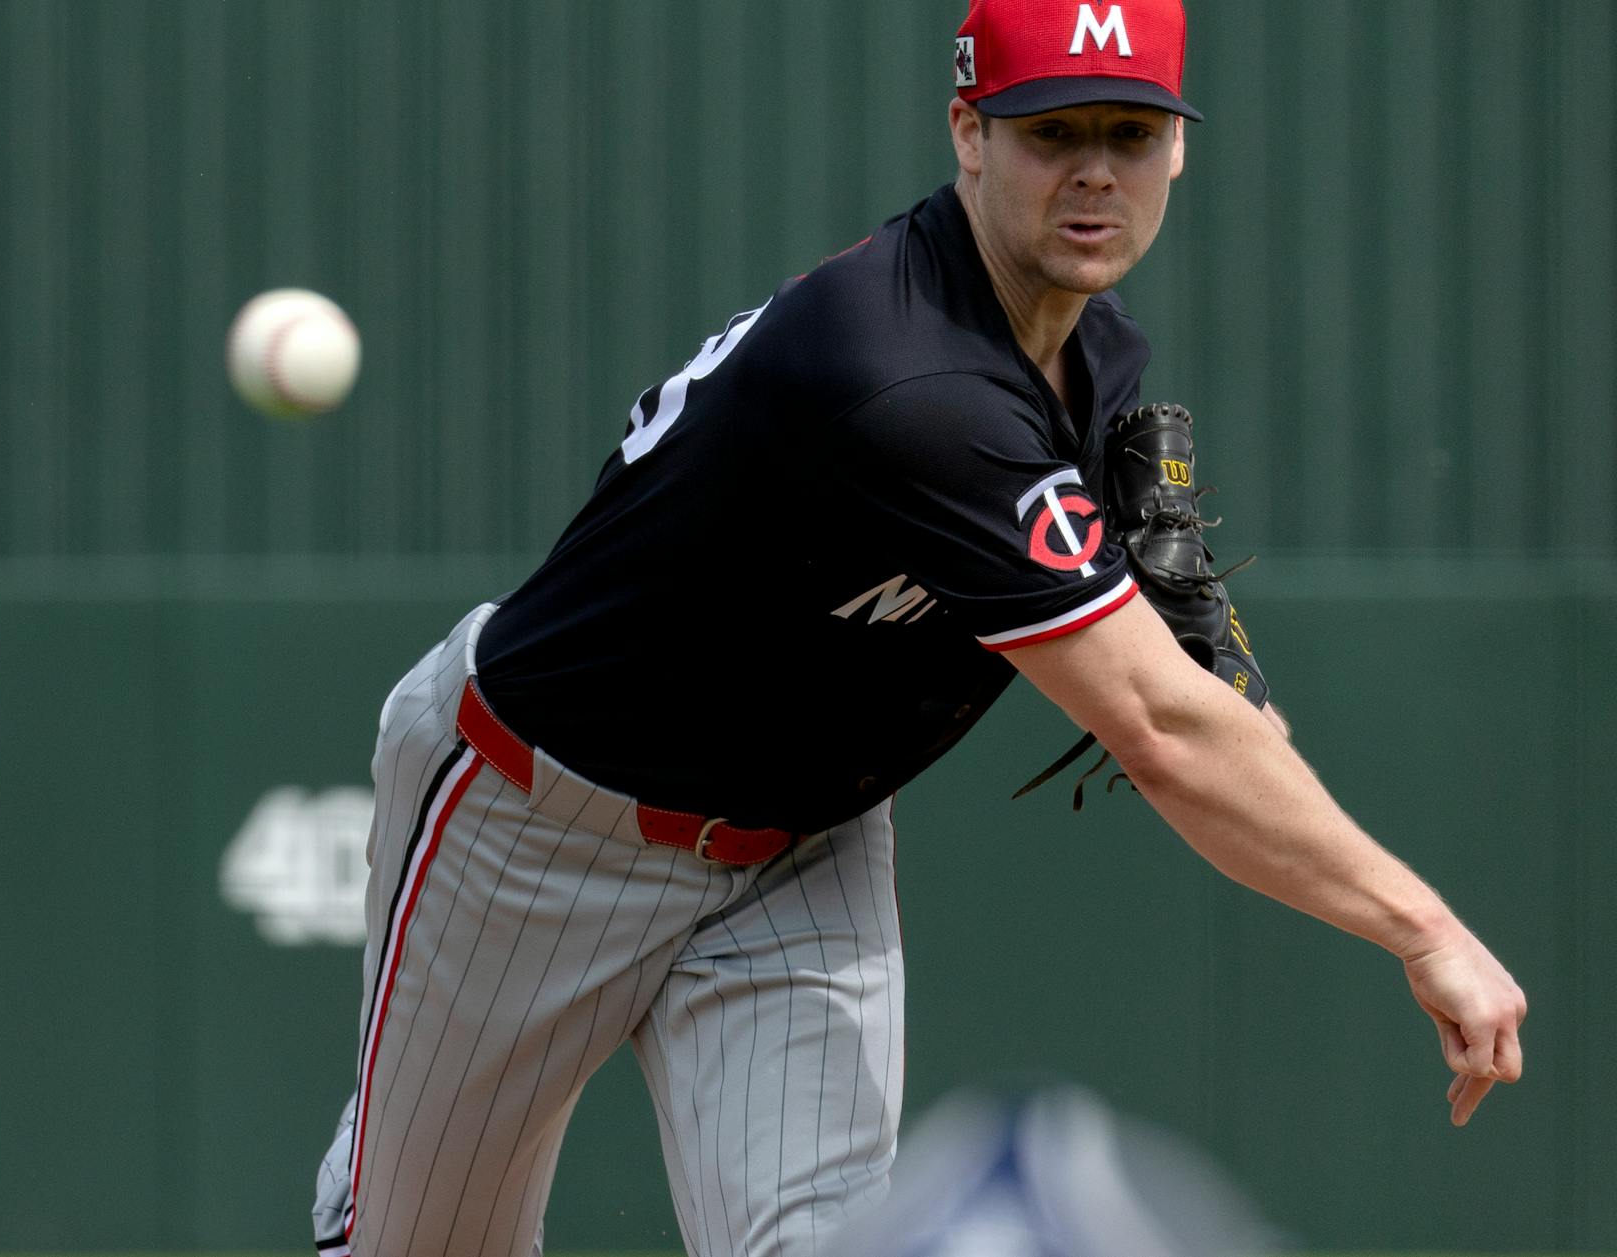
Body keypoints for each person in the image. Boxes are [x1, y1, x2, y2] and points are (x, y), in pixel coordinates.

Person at [310, 1, 1526, 1254]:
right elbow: (1164, 732)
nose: (1096, 169)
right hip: (540, 822)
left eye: (1133, 130)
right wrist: (1422, 925)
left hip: (801, 850)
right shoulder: (904, 374)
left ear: (1180, 150)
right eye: (1052, 131)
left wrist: (1226, 696)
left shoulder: (1092, 356)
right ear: (969, 132)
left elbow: (1202, 713)